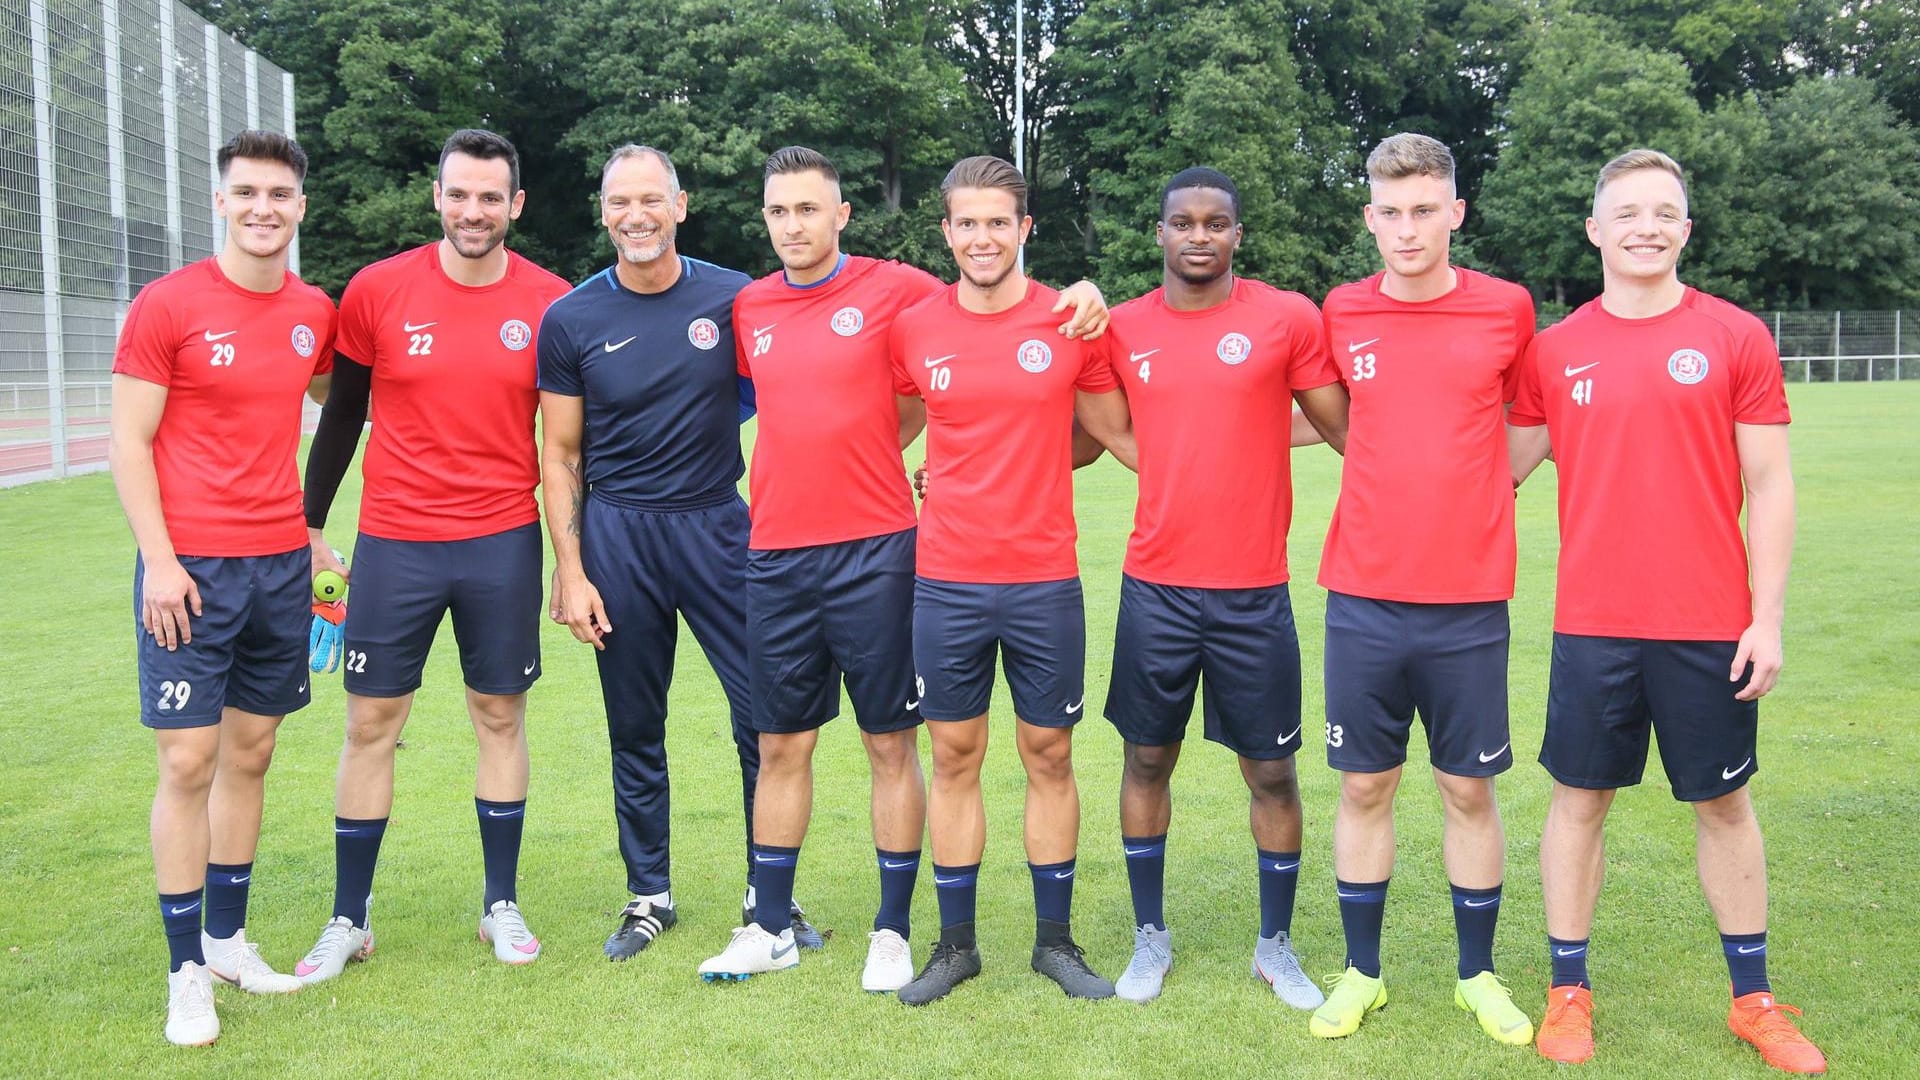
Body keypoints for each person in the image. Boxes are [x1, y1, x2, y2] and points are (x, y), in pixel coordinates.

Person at [696, 147, 1108, 990]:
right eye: (779, 211)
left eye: (809, 209)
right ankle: (767, 923)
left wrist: (1085, 289)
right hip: (774, 551)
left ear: (841, 213)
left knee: (895, 741)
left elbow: (992, 305)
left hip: (883, 549)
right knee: (779, 742)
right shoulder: (749, 307)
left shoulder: (901, 291)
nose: (794, 225)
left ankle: (893, 928)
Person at [1509, 149, 1823, 1074]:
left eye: (1666, 212)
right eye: (1629, 212)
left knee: (1725, 803)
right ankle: (1568, 993)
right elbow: (1493, 471)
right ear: (1596, 230)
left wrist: (1766, 618)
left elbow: (1770, 487)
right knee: (1580, 801)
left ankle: (1754, 1001)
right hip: (1593, 623)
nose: (1647, 226)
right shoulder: (1555, 350)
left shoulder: (1734, 337)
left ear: (1686, 229)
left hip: (1707, 624)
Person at [291, 129, 571, 983]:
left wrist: (574, 556)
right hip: (396, 543)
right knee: (372, 722)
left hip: (501, 542)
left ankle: (500, 905)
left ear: (514, 205)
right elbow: (341, 415)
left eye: (491, 196)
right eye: (460, 194)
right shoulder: (378, 290)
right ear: (436, 198)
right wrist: (307, 526)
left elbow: (569, 446)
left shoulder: (553, 303)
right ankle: (349, 917)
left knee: (499, 716)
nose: (473, 210)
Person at [537, 144, 819, 960]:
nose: (636, 216)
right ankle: (648, 895)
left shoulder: (738, 298)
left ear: (681, 205)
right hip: (618, 534)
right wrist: (572, 566)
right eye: (620, 202)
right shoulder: (573, 317)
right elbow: (560, 454)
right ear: (602, 212)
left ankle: (767, 896)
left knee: (763, 720)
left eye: (651, 200)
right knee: (635, 723)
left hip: (720, 529)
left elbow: (821, 376)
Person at [1305, 133, 1539, 1045]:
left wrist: (1492, 486)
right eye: (1391, 212)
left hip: (1470, 600)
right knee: (1365, 786)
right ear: (1370, 217)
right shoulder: (1343, 309)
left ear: (1456, 212)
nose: (1408, 229)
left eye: (1425, 210)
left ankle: (1476, 976)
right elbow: (1334, 423)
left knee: (1467, 791)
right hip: (1362, 597)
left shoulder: (1507, 309)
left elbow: (1536, 415)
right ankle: (1363, 973)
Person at [886, 155, 1132, 1006]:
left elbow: (1105, 436)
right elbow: (888, 428)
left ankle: (1054, 944)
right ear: (946, 231)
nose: (982, 237)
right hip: (947, 580)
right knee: (953, 756)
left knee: (1049, 753)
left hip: (1042, 579)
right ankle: (955, 947)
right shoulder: (915, 327)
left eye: (1000, 222)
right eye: (967, 223)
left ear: (1024, 229)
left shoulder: (1069, 318)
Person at [107, 129, 335, 1046]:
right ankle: (184, 974)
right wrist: (160, 562)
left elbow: (338, 408)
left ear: (300, 207)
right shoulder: (167, 306)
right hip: (188, 571)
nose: (263, 208)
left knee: (251, 755)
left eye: (279, 194)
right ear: (221, 201)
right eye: (247, 193)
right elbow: (129, 444)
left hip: (279, 566)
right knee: (187, 762)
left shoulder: (313, 310)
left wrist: (315, 531)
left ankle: (229, 939)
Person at [1100, 167, 1347, 1008]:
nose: (1198, 235)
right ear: (1159, 232)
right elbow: (1084, 429)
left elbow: (1341, 423)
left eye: (1216, 223)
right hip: (1156, 588)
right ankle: (1149, 936)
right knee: (1145, 758)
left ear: (1238, 234)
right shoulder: (1123, 326)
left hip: (1253, 592)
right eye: (1183, 222)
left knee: (1273, 773)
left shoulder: (1286, 317)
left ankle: (1275, 946)